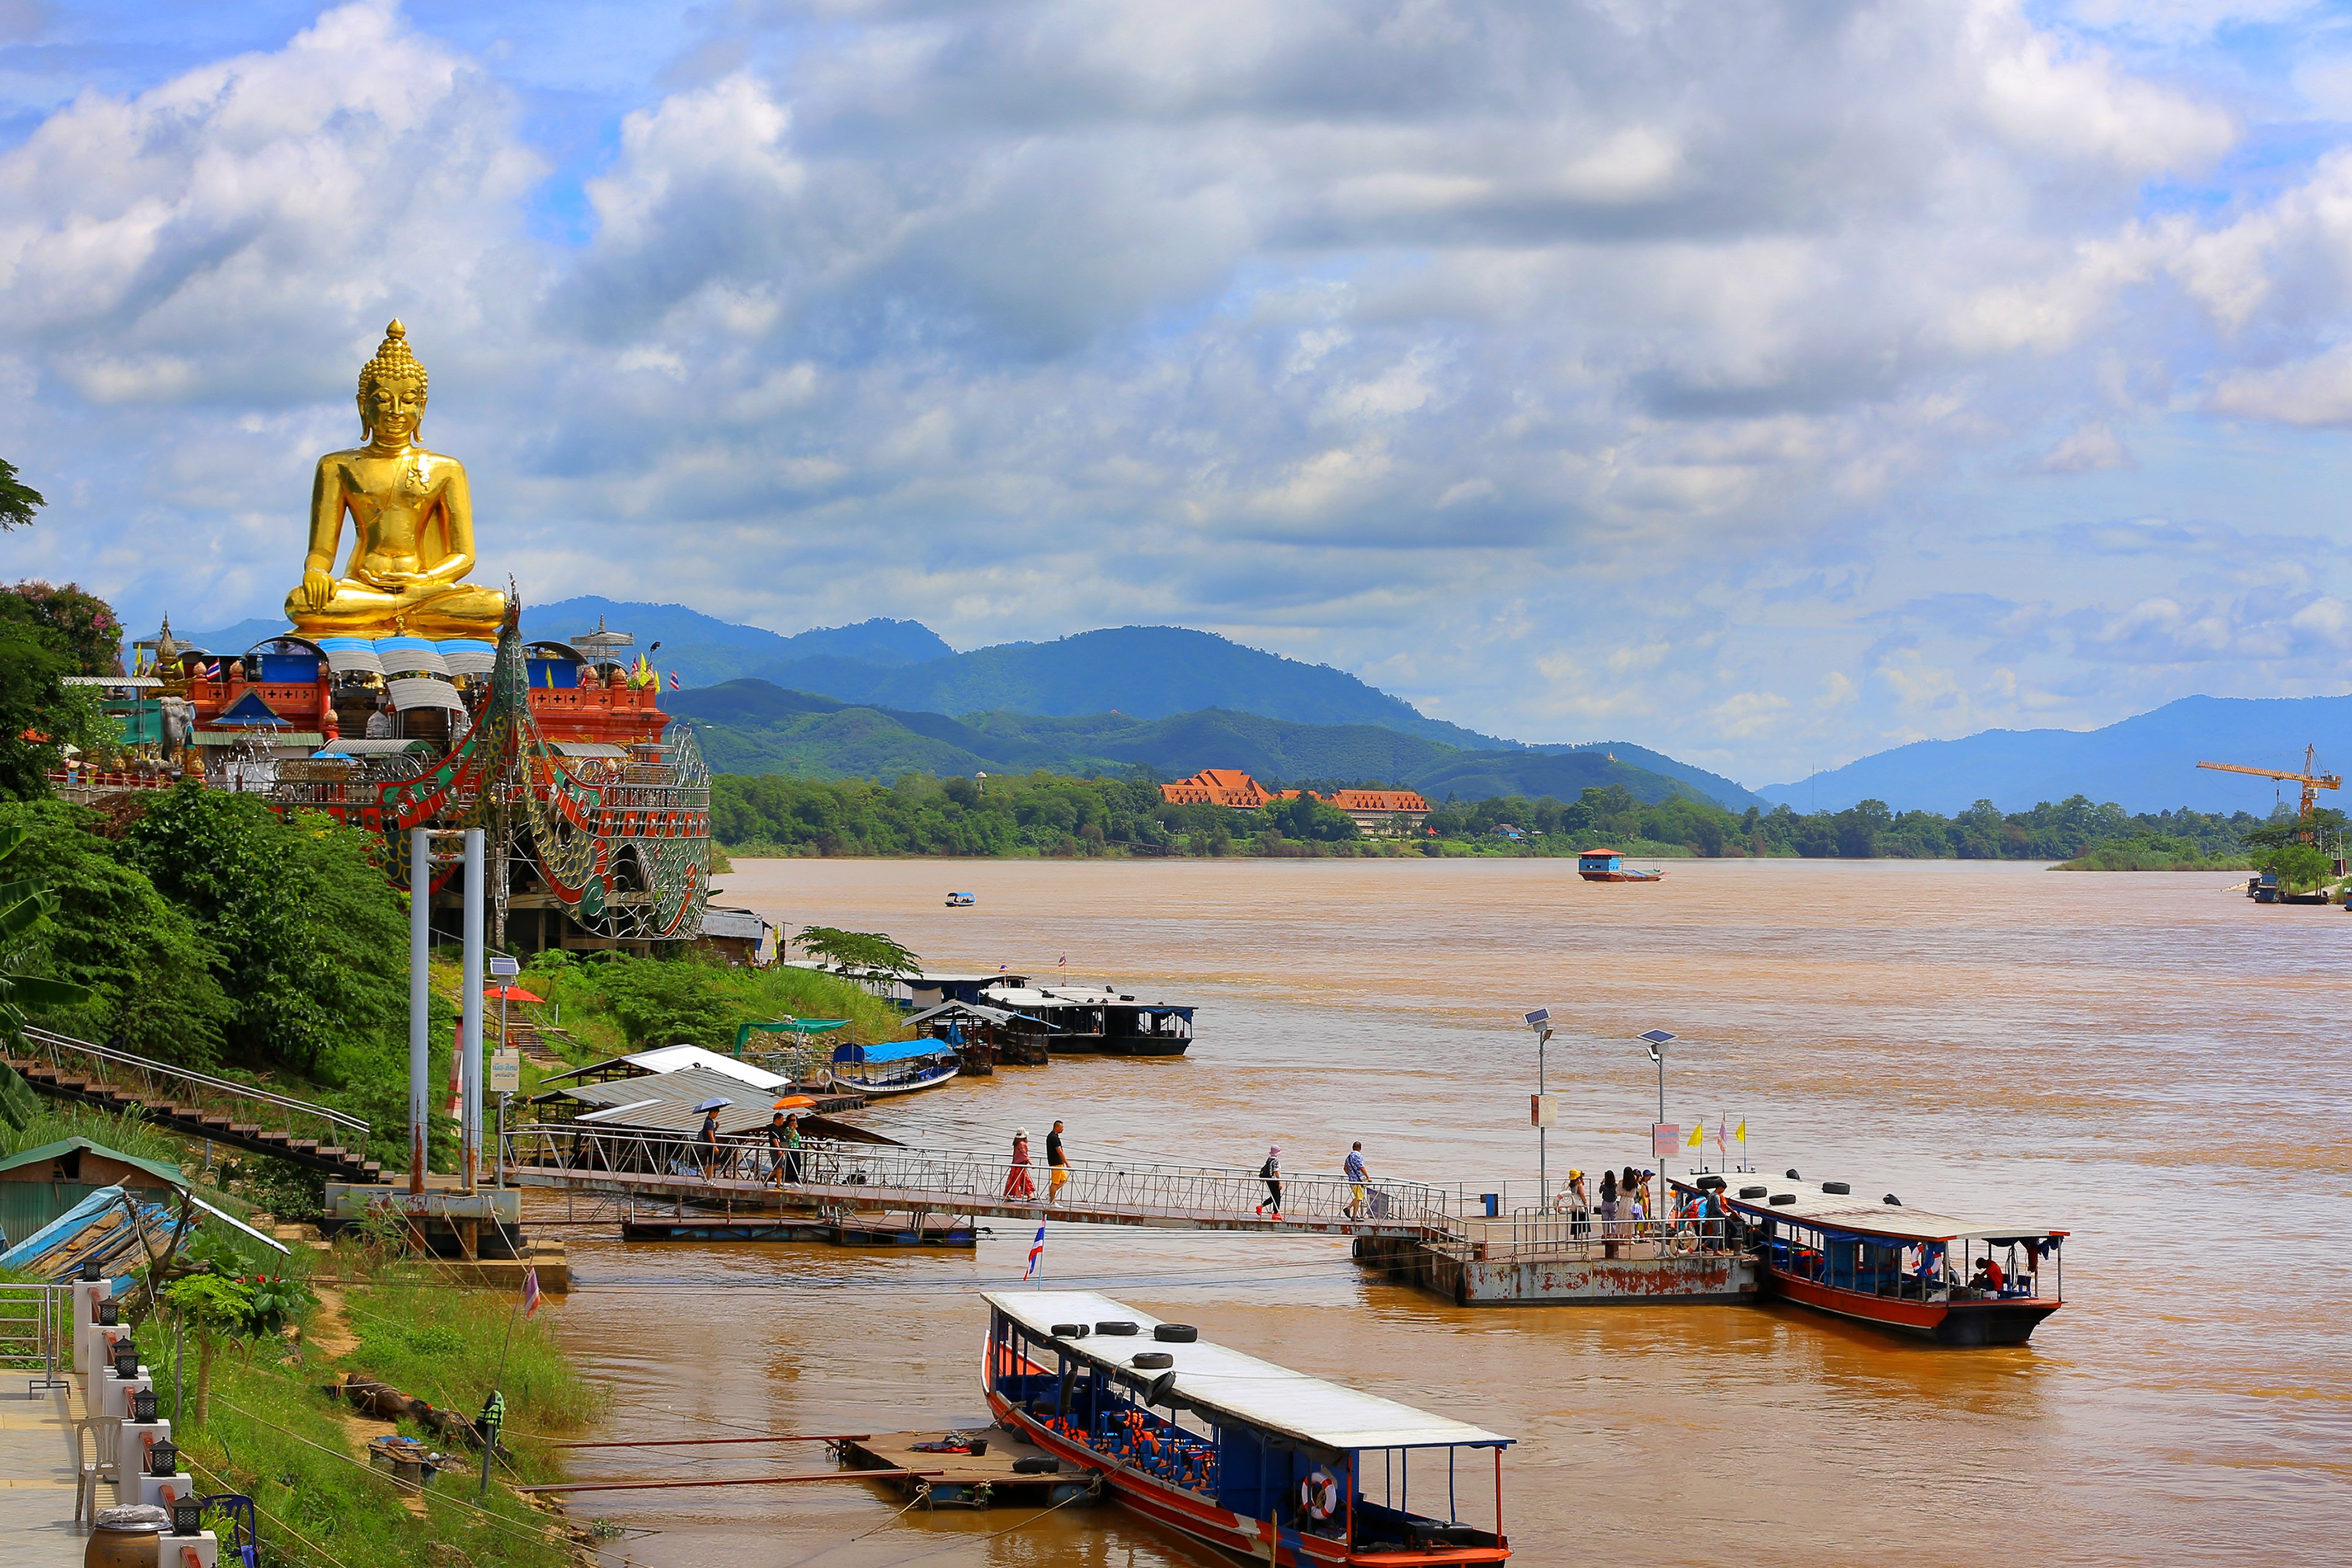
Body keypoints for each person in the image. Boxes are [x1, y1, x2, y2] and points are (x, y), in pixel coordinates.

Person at [1296, 1464, 1340, 1534]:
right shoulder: (1306, 1514)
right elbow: (1304, 1527)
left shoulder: (1329, 1502)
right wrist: (1301, 1514)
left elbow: (1335, 1521)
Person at [1004, 1128, 1037, 1200]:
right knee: (1016, 1180)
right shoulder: (1022, 1144)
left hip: (1017, 1164)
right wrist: (1031, 1164)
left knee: (1022, 1180)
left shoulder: (1017, 1143)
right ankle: (1007, 1195)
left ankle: (1029, 1196)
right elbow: (1024, 1155)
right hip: (1020, 1165)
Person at [1046, 1119, 1070, 1205]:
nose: (1063, 1129)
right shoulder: (1053, 1137)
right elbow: (1059, 1151)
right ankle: (1052, 1202)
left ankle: (1050, 1194)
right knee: (1055, 1182)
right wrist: (1067, 1162)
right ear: (1057, 1127)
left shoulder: (1053, 1136)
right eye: (1062, 1127)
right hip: (1055, 1162)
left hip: (1059, 1163)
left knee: (1064, 1179)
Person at [1343, 1142, 1369, 1219]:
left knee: (1358, 1197)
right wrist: (1368, 1177)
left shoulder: (1349, 1157)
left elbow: (1345, 1168)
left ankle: (1353, 1214)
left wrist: (1350, 1175)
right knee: (1359, 1198)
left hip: (1352, 1180)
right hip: (1357, 1181)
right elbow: (1361, 1167)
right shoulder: (1358, 1155)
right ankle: (1349, 1210)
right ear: (1360, 1148)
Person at [696, 1106, 723, 1178]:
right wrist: (715, 1147)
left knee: (715, 1162)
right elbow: (711, 1135)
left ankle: (704, 1174)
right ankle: (706, 1177)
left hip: (709, 1145)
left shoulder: (709, 1121)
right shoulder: (709, 1123)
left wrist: (716, 1127)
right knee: (714, 1163)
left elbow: (712, 1132)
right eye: (717, 1113)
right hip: (710, 1145)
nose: (717, 1115)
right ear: (713, 1112)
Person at [1257, 1146, 1282, 1219]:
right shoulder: (1275, 1161)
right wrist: (1280, 1182)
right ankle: (1276, 1214)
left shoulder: (1269, 1159)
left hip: (1269, 1180)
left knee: (1275, 1196)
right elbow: (1276, 1172)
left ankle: (1261, 1207)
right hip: (1274, 1180)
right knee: (1277, 1197)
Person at [1568, 1168, 1591, 1238]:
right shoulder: (1579, 1184)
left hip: (1574, 1204)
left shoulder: (1572, 1184)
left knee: (1575, 1219)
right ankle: (1582, 1236)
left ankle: (1575, 1236)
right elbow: (1582, 1194)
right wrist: (1585, 1202)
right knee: (1583, 1220)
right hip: (1580, 1203)